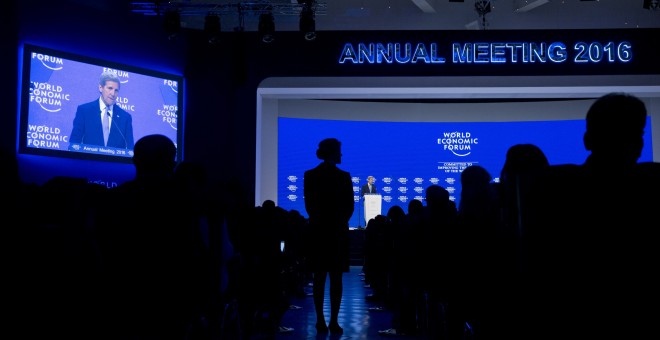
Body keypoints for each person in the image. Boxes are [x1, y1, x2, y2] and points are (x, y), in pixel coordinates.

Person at [524, 92, 660, 339]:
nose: (637, 143)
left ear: (587, 139)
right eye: (637, 134)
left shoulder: (554, 187)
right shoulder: (652, 185)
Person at [303, 138, 355, 335]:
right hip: (336, 233)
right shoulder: (343, 176)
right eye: (340, 151)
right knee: (335, 278)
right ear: (333, 152)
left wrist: (321, 222)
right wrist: (338, 223)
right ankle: (333, 320)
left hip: (318, 232)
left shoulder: (310, 175)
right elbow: (349, 207)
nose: (342, 155)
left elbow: (310, 207)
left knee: (319, 277)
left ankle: (320, 320)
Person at [69, 71, 134, 149]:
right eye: (110, 88)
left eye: (116, 90)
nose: (113, 94)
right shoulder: (84, 111)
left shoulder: (125, 117)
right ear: (100, 88)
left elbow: (130, 149)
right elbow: (74, 143)